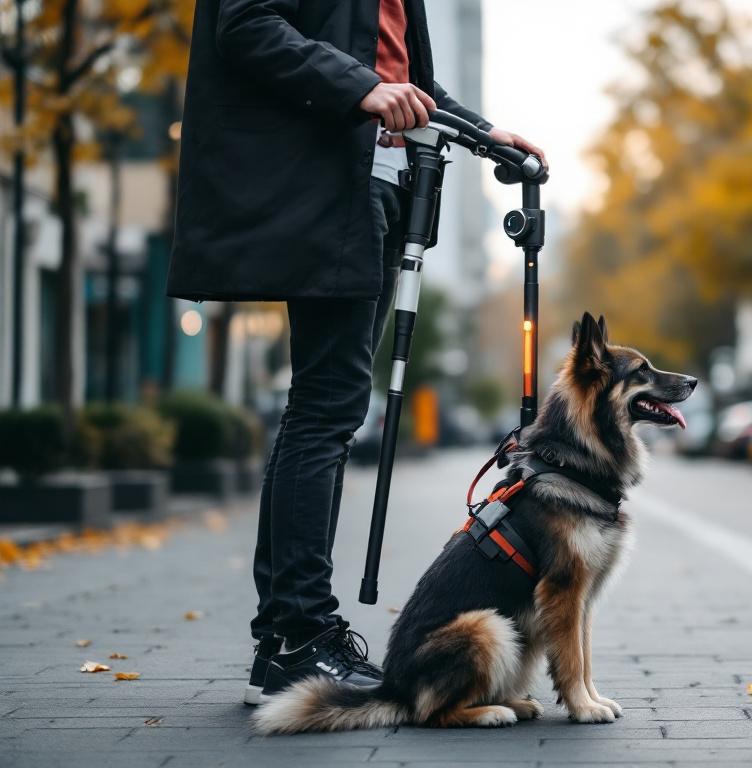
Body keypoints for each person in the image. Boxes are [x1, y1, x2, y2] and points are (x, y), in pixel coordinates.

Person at [166, 0, 545, 704]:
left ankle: (284, 639)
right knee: (328, 406)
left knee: (322, 407)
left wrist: (487, 133)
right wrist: (359, 88)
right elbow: (246, 23)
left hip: (376, 190)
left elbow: (408, 81)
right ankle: (301, 636)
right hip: (325, 187)